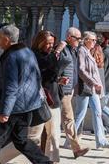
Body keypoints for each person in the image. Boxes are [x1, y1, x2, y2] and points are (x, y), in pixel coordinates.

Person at [0, 24, 51, 164]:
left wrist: (5, 112)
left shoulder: (11, 57)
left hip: (13, 108)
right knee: (21, 140)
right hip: (26, 106)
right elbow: (36, 77)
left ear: (7, 39)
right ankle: (45, 162)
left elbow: (11, 86)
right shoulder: (27, 51)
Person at [31, 30, 70, 162]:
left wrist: (59, 80)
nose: (50, 46)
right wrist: (57, 51)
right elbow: (44, 65)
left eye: (52, 43)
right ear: (40, 42)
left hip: (53, 99)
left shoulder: (52, 55)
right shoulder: (34, 55)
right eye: (48, 43)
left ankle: (51, 160)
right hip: (38, 101)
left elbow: (50, 73)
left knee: (54, 135)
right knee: (32, 137)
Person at [73, 31, 109, 149]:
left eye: (95, 40)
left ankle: (101, 141)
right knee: (80, 114)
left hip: (92, 88)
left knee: (98, 113)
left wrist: (97, 85)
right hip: (85, 87)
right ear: (85, 40)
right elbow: (81, 70)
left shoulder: (88, 51)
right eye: (92, 40)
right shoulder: (81, 51)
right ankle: (70, 141)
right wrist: (93, 82)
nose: (94, 42)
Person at [60, 27, 88, 158]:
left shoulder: (73, 50)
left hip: (69, 89)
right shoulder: (62, 50)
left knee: (67, 119)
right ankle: (76, 149)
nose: (80, 41)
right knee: (68, 119)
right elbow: (56, 68)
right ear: (69, 38)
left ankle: (76, 149)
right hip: (62, 90)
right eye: (77, 38)